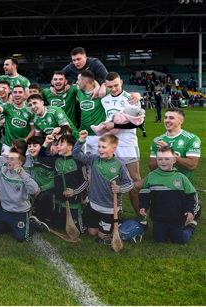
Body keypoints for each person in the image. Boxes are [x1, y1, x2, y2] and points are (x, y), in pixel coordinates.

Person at [0, 148, 45, 242]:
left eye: (12, 159)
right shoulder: (3, 169)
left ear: (20, 163)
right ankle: (11, 224)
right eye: (8, 158)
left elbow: (35, 190)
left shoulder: (25, 175)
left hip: (19, 212)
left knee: (22, 237)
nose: (8, 161)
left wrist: (22, 174)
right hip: (4, 210)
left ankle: (31, 223)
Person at [72, 131, 133, 243]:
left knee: (102, 236)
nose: (100, 149)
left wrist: (119, 189)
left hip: (109, 207)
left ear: (113, 149)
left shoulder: (119, 165)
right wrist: (81, 140)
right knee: (92, 233)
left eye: (104, 147)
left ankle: (117, 222)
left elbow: (130, 184)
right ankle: (102, 223)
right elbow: (76, 154)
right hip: (94, 204)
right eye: (99, 147)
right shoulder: (94, 159)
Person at [101, 72, 143, 218]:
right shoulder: (104, 100)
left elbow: (139, 122)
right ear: (105, 85)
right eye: (110, 86)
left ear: (122, 83)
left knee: (134, 180)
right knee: (111, 180)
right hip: (111, 145)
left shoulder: (131, 99)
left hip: (127, 144)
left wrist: (115, 124)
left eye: (116, 85)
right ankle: (116, 214)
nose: (113, 89)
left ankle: (141, 216)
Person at [140, 146, 198, 244]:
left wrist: (190, 211)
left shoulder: (181, 177)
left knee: (180, 240)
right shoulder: (151, 177)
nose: (163, 161)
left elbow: (192, 196)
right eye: (160, 159)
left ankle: (190, 226)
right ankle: (163, 231)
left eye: (167, 159)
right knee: (159, 240)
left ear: (174, 160)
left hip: (177, 218)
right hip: (159, 218)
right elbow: (144, 194)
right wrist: (143, 207)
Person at [149, 108, 201, 184]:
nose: (167, 120)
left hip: (182, 184)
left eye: (171, 118)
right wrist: (161, 156)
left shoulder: (191, 139)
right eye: (165, 117)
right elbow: (151, 167)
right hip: (161, 181)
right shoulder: (157, 140)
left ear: (181, 121)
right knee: (135, 187)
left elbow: (191, 165)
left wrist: (169, 152)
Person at [0, 85, 35, 155]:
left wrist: (25, 140)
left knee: (26, 165)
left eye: (20, 92)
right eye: (15, 92)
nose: (17, 94)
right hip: (8, 146)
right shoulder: (7, 106)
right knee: (6, 165)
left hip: (24, 146)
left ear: (24, 95)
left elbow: (33, 129)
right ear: (12, 94)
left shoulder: (30, 110)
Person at [75, 70, 106, 154]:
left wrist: (137, 95)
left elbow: (119, 93)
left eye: (78, 80)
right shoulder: (78, 92)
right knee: (84, 164)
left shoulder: (102, 92)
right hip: (83, 134)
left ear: (84, 81)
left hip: (99, 135)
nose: (76, 82)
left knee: (98, 164)